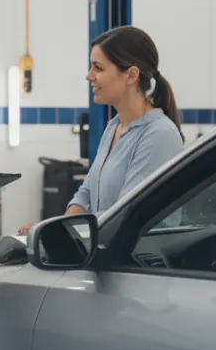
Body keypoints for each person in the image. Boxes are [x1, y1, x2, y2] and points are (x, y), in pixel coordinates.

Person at [19, 25, 183, 235]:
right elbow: (86, 193)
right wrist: (58, 230)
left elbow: (126, 213)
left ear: (131, 75)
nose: (89, 76)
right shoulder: (114, 126)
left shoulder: (158, 135)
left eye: (98, 67)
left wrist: (56, 230)